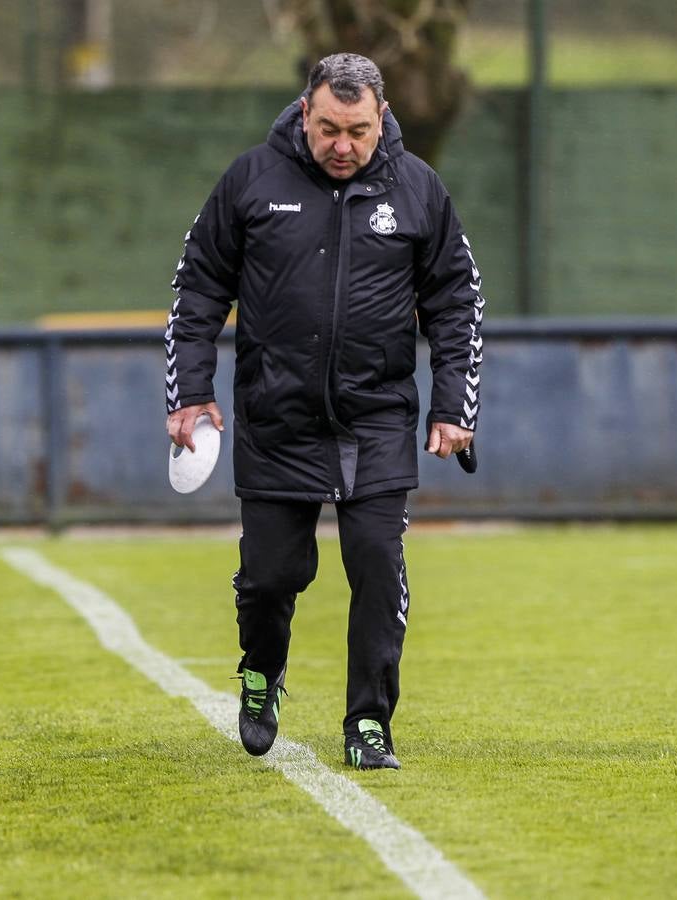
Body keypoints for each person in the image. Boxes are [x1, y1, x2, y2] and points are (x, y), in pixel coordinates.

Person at [164, 52, 484, 770]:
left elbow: (457, 302)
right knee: (271, 577)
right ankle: (261, 672)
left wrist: (454, 403)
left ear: (382, 120)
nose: (343, 145)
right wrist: (190, 392)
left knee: (377, 565)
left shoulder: (419, 190)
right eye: (330, 128)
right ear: (304, 113)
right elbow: (195, 294)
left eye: (359, 131)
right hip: (278, 420)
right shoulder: (251, 181)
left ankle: (369, 723)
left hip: (376, 419)